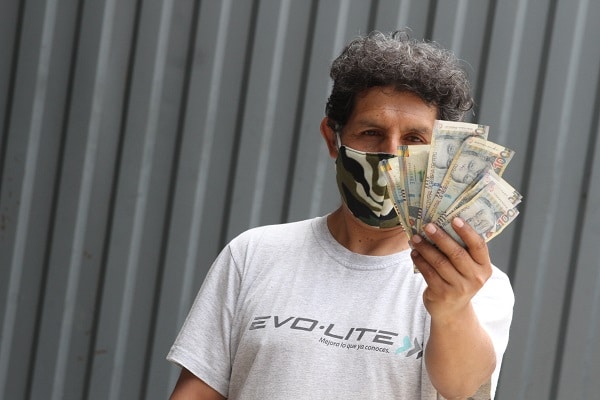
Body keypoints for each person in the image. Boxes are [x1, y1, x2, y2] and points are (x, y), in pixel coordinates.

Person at [167, 30, 514, 400]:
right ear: (332, 138)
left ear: (444, 153)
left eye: (414, 139)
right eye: (371, 132)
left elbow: (463, 389)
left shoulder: (472, 283)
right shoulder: (253, 254)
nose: (390, 153)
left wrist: (451, 309)